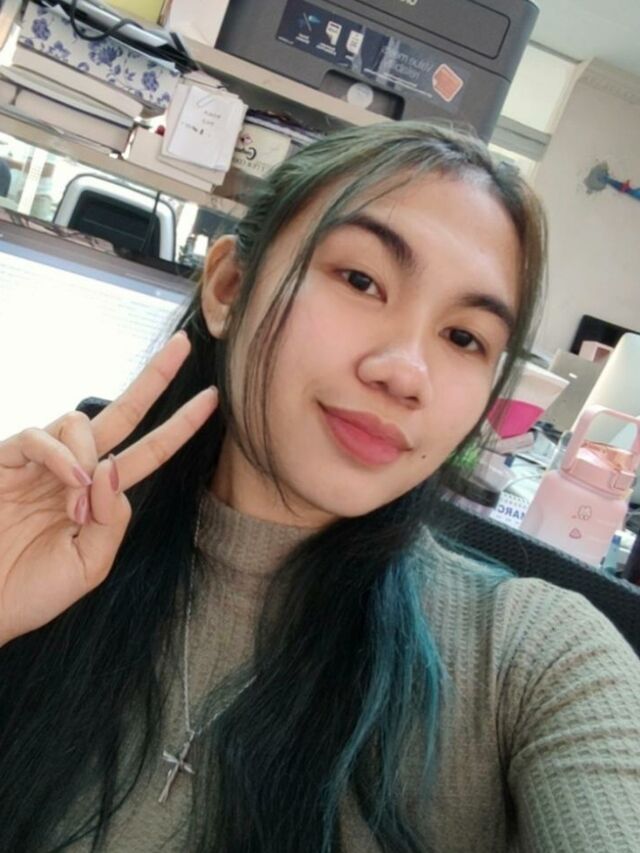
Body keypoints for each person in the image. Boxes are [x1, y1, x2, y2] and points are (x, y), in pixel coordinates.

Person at [0, 121, 638, 853]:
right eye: (362, 280)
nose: (407, 373)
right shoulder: (44, 542)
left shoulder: (536, 661)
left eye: (464, 338)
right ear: (230, 287)